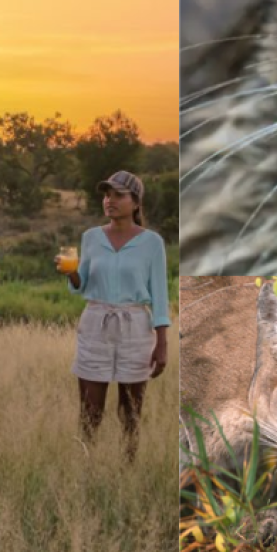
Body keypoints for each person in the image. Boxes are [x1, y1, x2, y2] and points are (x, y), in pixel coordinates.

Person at [57, 170, 170, 461]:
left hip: (135, 326)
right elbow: (81, 285)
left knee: (131, 411)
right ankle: (85, 466)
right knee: (90, 409)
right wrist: (71, 273)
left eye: (119, 195)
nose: (110, 200)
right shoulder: (91, 237)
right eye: (107, 194)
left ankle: (127, 468)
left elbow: (159, 293)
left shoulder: (152, 242)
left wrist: (162, 342)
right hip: (96, 323)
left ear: (135, 202)